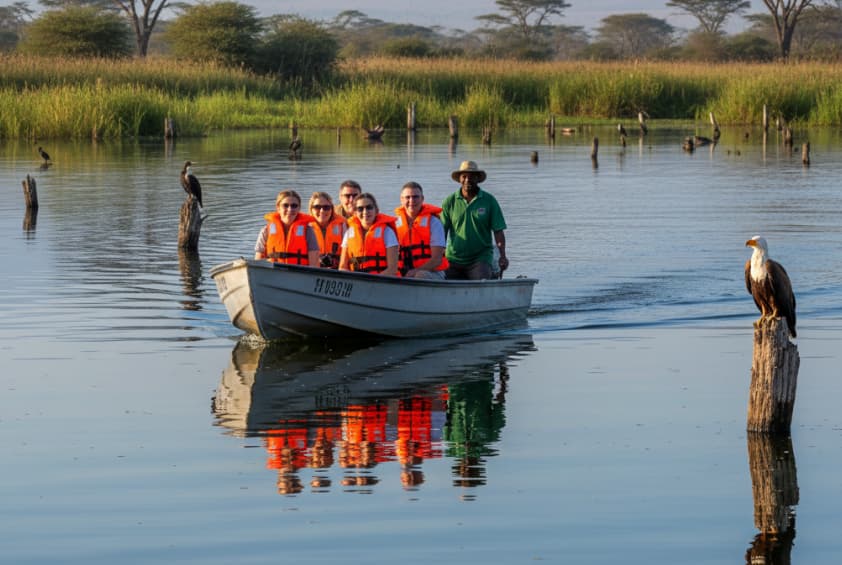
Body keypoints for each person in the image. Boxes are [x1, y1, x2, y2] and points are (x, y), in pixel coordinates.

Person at [440, 160, 508, 280]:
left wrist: (503, 256)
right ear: (459, 179)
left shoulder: (489, 200)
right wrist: (440, 254)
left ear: (478, 178)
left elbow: (498, 231)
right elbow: (441, 232)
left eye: (471, 176)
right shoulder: (449, 201)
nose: (467, 180)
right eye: (464, 176)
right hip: (453, 258)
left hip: (480, 258)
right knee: (442, 282)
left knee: (482, 283)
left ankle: (492, 273)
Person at [393, 181, 448, 279]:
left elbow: (437, 260)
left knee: (420, 275)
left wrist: (416, 271)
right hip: (404, 273)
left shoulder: (434, 223)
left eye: (415, 197)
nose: (411, 201)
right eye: (407, 197)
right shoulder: (395, 224)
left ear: (422, 199)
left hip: (433, 272)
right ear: (401, 200)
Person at [338, 193, 400, 276]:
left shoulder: (387, 232)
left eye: (369, 207)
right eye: (360, 209)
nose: (365, 212)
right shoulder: (349, 233)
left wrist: (372, 282)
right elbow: (342, 267)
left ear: (376, 210)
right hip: (356, 281)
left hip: (381, 281)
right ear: (355, 212)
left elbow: (392, 269)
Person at [254, 190, 320, 265]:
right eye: (285, 205)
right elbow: (257, 263)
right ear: (278, 207)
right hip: (273, 273)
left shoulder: (308, 231)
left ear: (299, 208)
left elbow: (314, 265)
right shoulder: (266, 231)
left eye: (294, 206)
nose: (290, 209)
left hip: (299, 274)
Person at [308, 191, 346, 269]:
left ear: (332, 209)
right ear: (311, 209)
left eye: (326, 207)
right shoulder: (305, 228)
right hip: (312, 271)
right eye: (317, 207)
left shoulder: (343, 226)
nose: (322, 211)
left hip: (337, 271)